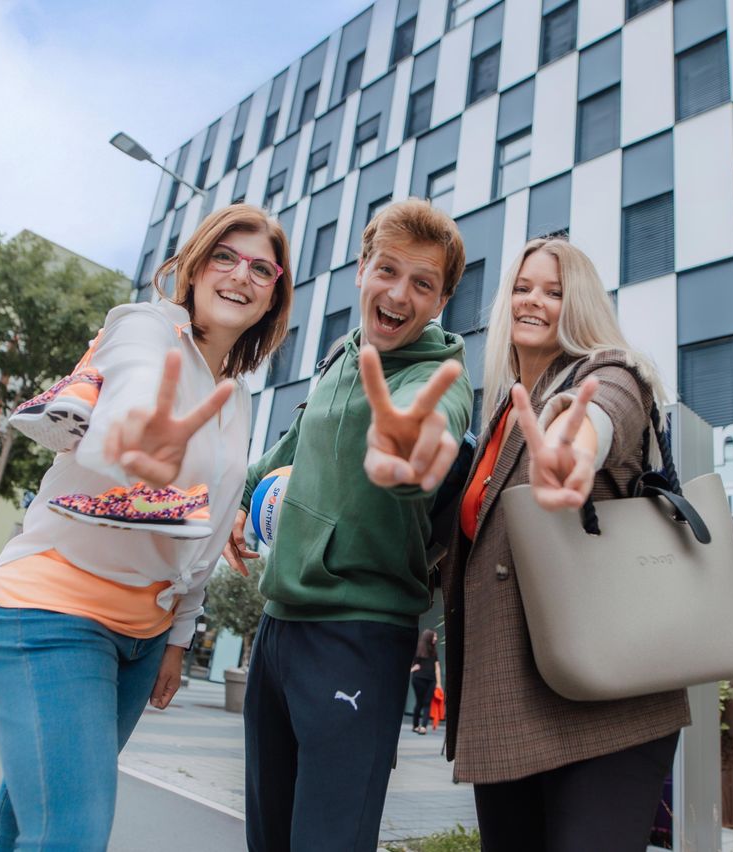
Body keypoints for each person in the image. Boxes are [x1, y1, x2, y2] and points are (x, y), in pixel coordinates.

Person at [0, 204, 293, 851]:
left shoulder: (235, 400)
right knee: (71, 833)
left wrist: (178, 638)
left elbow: (204, 539)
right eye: (225, 257)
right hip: (51, 613)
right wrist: (136, 445)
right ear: (197, 268)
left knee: (30, 815)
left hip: (141, 643)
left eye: (262, 268)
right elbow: (130, 403)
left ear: (273, 298)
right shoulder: (146, 330)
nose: (241, 275)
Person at [223, 198, 473, 852]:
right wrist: (235, 499)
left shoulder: (439, 374)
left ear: (441, 300)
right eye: (387, 271)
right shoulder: (342, 355)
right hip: (278, 629)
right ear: (361, 270)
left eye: (423, 283)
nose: (399, 293)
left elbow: (434, 419)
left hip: (358, 635)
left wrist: (417, 449)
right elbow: (292, 447)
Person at [438, 237, 691, 852]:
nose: (534, 300)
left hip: (607, 699)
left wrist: (576, 452)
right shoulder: (500, 416)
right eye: (523, 287)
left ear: (577, 307)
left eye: (554, 292)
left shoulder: (609, 373)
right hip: (508, 699)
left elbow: (600, 415)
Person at [410, 628, 442, 734]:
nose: (436, 639)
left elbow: (437, 667)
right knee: (420, 702)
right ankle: (415, 725)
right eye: (434, 636)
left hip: (431, 680)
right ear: (429, 637)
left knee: (427, 703)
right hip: (418, 679)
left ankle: (423, 727)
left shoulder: (434, 651)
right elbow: (412, 665)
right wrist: (413, 669)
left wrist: (438, 683)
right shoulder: (419, 649)